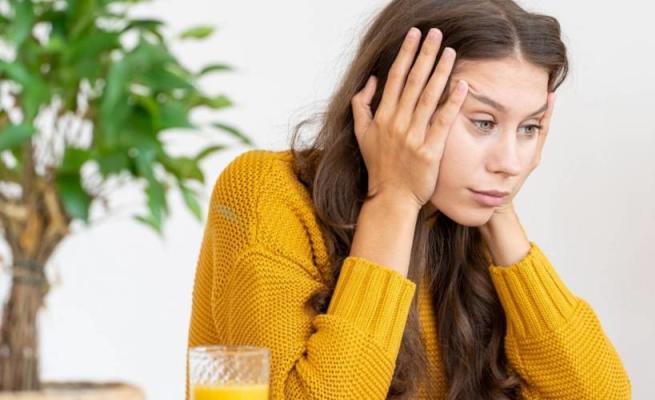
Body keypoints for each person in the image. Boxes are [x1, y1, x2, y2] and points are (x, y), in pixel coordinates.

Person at [187, 0, 631, 398]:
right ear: (391, 105)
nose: (510, 162)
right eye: (483, 122)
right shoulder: (267, 190)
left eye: (529, 128)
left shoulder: (467, 217)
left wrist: (500, 213)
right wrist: (393, 197)